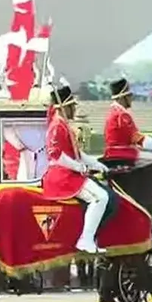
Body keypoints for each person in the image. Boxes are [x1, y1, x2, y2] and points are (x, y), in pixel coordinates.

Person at [41, 81, 109, 253]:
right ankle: (85, 240)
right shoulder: (57, 125)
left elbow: (77, 154)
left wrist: (96, 163)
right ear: (63, 107)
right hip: (62, 176)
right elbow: (56, 155)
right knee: (100, 197)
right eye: (72, 106)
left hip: (68, 172)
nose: (74, 110)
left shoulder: (63, 125)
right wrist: (80, 168)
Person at [103, 77, 152, 168]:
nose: (132, 98)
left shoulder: (115, 111)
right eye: (130, 95)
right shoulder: (122, 115)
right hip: (123, 154)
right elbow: (140, 140)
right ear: (122, 97)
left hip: (117, 153)